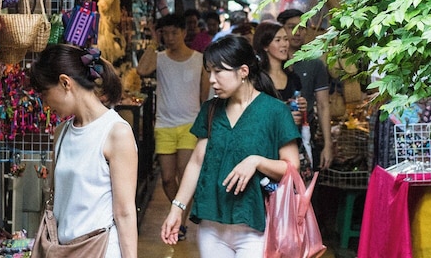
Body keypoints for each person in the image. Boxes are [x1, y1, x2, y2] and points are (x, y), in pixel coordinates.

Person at [160, 36, 302, 257]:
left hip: (256, 227)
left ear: (243, 71)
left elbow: (292, 167)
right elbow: (197, 163)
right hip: (211, 226)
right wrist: (176, 209)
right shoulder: (210, 110)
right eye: (209, 72)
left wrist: (256, 162)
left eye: (218, 72)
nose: (212, 80)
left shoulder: (275, 111)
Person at [31, 44, 139, 258]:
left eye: (45, 93)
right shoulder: (61, 132)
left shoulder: (116, 133)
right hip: (63, 250)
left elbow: (125, 213)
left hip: (101, 249)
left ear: (65, 83)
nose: (45, 103)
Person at [134, 14, 206, 231]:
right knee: (167, 179)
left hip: (190, 125)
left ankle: (180, 222)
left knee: (185, 176)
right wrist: (154, 42)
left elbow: (204, 97)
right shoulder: (160, 58)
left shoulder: (199, 59)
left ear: (184, 32)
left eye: (174, 32)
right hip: (164, 125)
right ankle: (179, 212)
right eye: (165, 33)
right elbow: (141, 70)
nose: (170, 37)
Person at [277, 9, 339, 171]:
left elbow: (323, 105)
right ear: (281, 29)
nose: (297, 32)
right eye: (292, 27)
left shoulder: (314, 63)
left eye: (302, 28)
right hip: (275, 136)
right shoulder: (273, 62)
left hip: (305, 135)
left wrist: (327, 144)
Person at [253, 22, 311, 167]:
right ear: (265, 46)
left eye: (285, 39)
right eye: (278, 40)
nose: (284, 44)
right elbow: (252, 114)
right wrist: (283, 115)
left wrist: (302, 107)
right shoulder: (257, 80)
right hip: (266, 147)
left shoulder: (293, 78)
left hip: (291, 144)